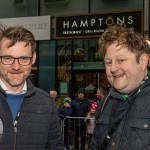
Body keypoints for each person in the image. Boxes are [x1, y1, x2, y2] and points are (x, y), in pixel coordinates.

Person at [0, 25, 64, 149]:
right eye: (8, 58)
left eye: (23, 58)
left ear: (33, 58)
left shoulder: (46, 103)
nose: (16, 67)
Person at [89, 23, 150, 150]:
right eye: (108, 62)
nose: (112, 69)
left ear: (143, 61)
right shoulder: (105, 102)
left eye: (121, 60)